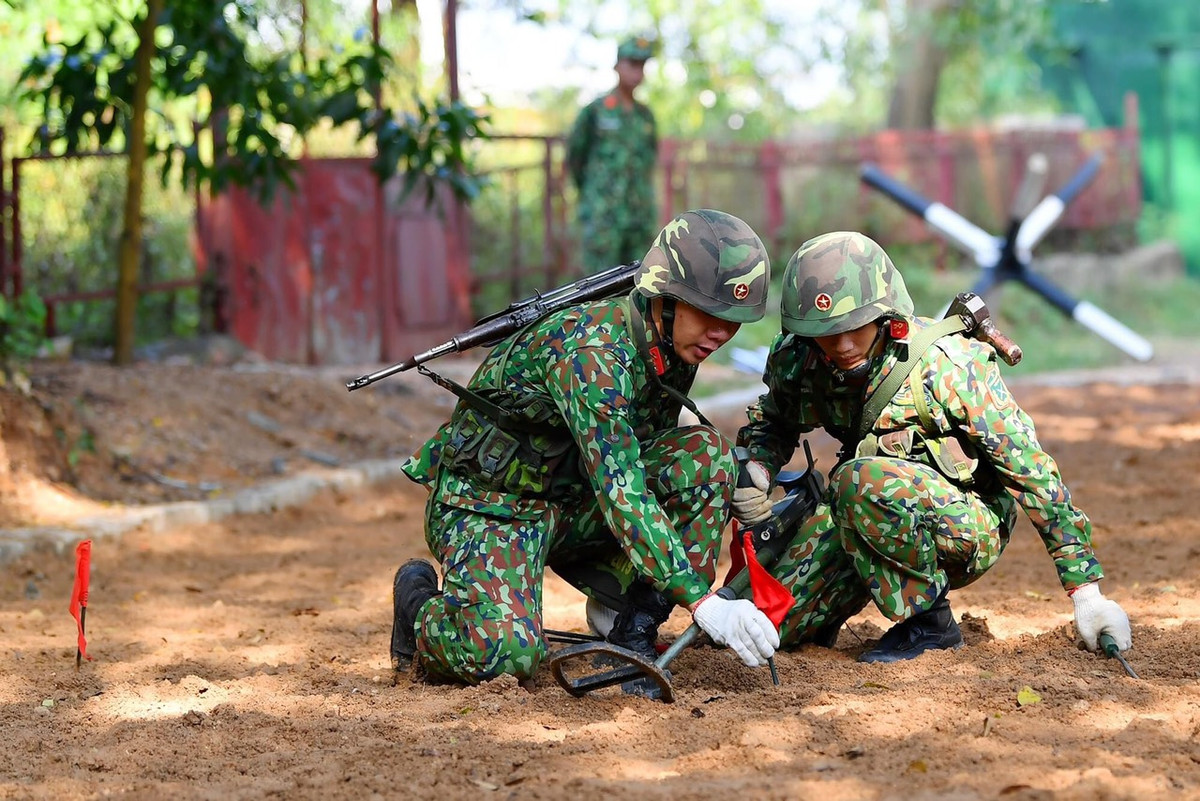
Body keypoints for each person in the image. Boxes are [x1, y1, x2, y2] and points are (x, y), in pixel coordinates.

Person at [391, 209, 779, 684]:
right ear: (668, 298)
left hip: (571, 498)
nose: (721, 333)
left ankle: (630, 629)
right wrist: (701, 600)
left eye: (734, 320)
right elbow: (621, 487)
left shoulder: (671, 339)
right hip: (492, 506)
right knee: (505, 655)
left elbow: (647, 449)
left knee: (706, 456)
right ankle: (419, 610)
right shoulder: (593, 355)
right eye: (710, 314)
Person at [731, 231, 1133, 663]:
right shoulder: (801, 360)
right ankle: (831, 606)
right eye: (827, 333)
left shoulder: (948, 366)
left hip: (965, 524)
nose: (843, 345)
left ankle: (929, 625)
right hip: (865, 518)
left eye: (854, 328)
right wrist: (758, 466)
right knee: (763, 631)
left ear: (887, 316)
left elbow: (1033, 475)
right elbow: (774, 419)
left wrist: (1086, 593)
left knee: (857, 479)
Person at [565, 35, 659, 274]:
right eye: (632, 64)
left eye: (642, 65)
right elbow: (575, 157)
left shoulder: (645, 116)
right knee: (599, 288)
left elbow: (650, 161)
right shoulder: (596, 111)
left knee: (640, 286)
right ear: (617, 66)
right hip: (603, 217)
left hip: (639, 218)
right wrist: (593, 196)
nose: (637, 72)